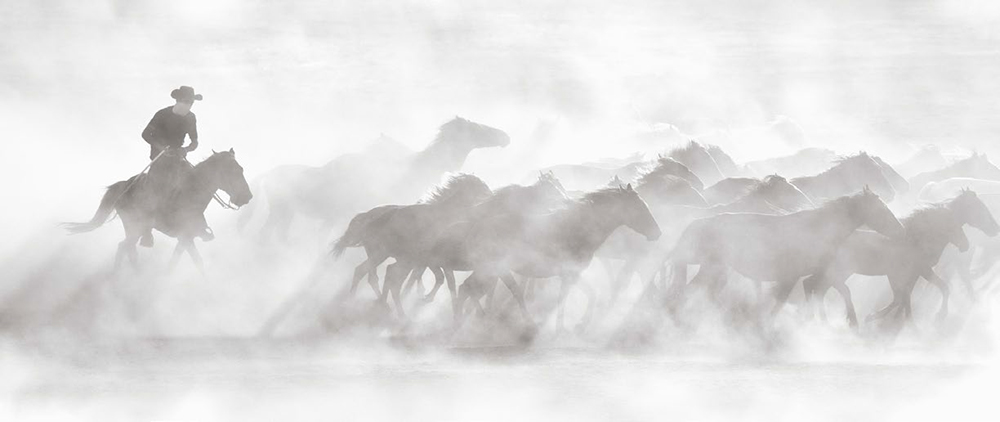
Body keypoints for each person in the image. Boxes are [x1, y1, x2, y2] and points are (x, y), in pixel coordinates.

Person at [138, 86, 213, 247]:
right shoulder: (162, 114)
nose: (189, 106)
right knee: (154, 189)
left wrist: (185, 149)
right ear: (178, 101)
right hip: (159, 159)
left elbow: (194, 142)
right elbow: (145, 134)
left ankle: (199, 225)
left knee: (196, 185)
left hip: (178, 159)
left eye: (191, 103)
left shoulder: (191, 118)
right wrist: (160, 147)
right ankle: (146, 231)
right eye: (186, 102)